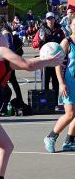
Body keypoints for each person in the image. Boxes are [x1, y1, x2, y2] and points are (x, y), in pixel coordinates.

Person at [0, 29, 63, 179]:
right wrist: (50, 61)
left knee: (6, 146)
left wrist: (44, 59)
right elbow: (27, 64)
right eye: (2, 36)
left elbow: (28, 65)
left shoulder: (1, 58)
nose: (6, 38)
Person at [44, 16, 75, 153]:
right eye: (74, 24)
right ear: (70, 26)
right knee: (70, 114)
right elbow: (58, 65)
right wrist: (61, 83)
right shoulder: (66, 42)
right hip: (69, 82)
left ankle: (69, 141)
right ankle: (51, 137)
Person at [32, 12, 65, 109]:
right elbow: (34, 44)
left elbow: (64, 43)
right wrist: (40, 40)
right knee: (45, 83)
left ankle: (55, 103)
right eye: (48, 19)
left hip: (56, 61)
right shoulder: (41, 30)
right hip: (45, 61)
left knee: (56, 82)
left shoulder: (60, 31)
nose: (50, 20)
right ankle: (45, 104)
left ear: (55, 19)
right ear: (45, 20)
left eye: (52, 18)